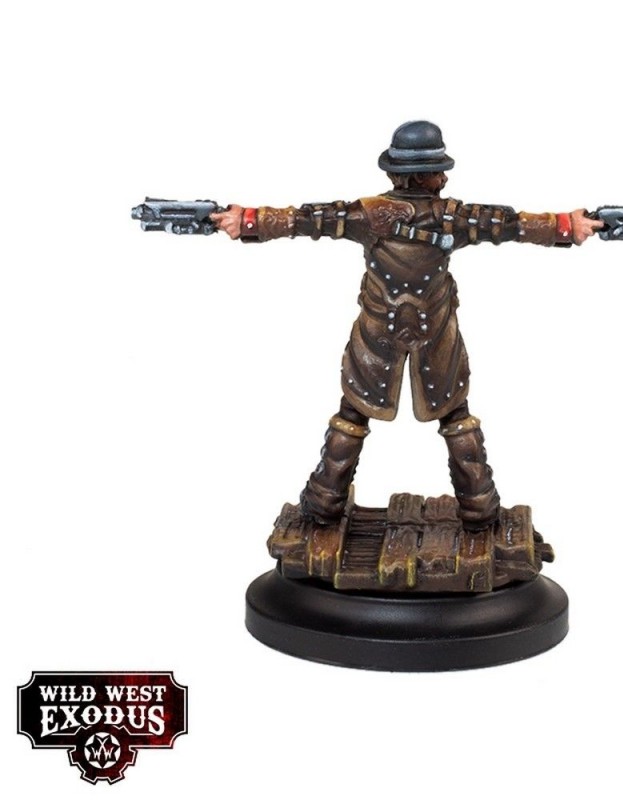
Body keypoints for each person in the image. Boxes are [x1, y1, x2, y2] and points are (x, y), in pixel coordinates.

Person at [211, 120, 602, 530]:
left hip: (380, 331)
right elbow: (509, 225)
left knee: (354, 414)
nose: (444, 178)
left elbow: (309, 219)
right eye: (437, 171)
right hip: (432, 330)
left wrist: (250, 219)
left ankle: (325, 503)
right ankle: (479, 508)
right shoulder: (454, 217)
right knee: (453, 416)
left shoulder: (367, 214)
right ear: (420, 176)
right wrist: (565, 225)